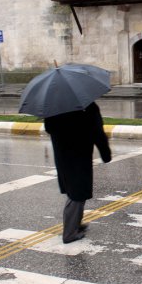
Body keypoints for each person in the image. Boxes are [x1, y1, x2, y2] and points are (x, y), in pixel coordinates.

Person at [43, 102, 111, 243]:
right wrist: (105, 154)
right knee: (77, 194)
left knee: (73, 190)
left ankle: (76, 224)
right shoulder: (89, 107)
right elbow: (98, 132)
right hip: (80, 155)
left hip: (62, 155)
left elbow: (48, 128)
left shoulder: (54, 107)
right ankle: (70, 233)